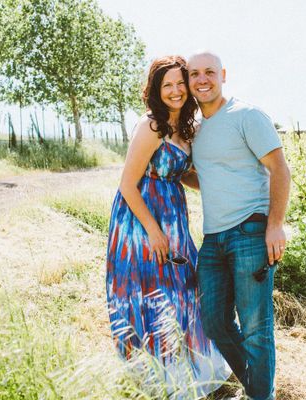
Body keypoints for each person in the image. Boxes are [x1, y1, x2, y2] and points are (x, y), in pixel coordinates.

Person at [106, 55, 229, 397]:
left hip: (174, 218)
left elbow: (179, 174)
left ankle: (195, 374)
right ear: (156, 90)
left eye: (179, 83)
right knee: (153, 295)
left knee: (186, 292)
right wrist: (153, 231)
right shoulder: (152, 126)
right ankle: (160, 381)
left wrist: (222, 183)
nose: (175, 91)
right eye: (167, 85)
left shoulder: (185, 128)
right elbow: (127, 184)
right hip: (140, 221)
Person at [187, 51, 291, 400]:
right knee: (214, 322)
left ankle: (260, 394)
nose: (202, 79)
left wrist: (275, 225)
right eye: (194, 74)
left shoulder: (246, 115)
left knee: (256, 329)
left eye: (209, 72)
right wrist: (173, 175)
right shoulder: (196, 130)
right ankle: (258, 388)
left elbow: (280, 169)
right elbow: (209, 178)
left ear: (223, 75)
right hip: (213, 240)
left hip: (250, 232)